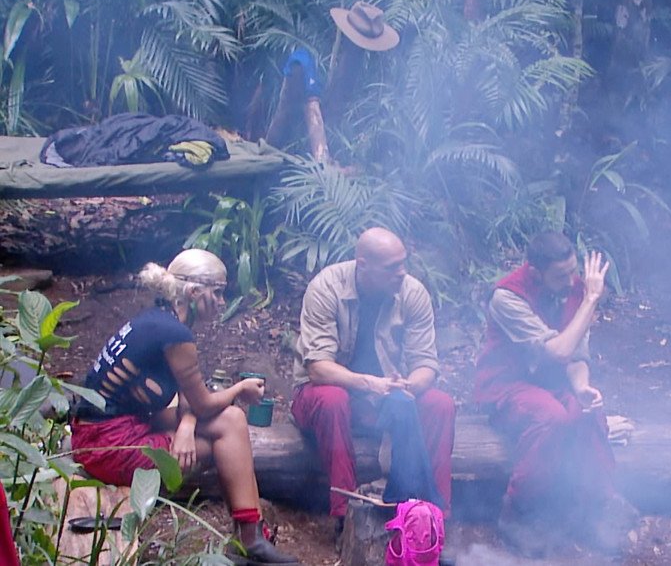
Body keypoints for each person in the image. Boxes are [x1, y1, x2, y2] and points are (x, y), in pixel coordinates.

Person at [70, 249, 299, 565]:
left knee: (232, 419)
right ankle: (249, 539)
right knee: (224, 437)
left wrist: (187, 425)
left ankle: (250, 536)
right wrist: (240, 389)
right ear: (194, 293)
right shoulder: (174, 333)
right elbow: (203, 403)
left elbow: (188, 396)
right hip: (107, 446)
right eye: (217, 293)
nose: (221, 302)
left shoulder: (158, 320)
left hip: (110, 429)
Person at [290, 227, 455, 549]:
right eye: (392, 267)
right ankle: (344, 513)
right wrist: (371, 384)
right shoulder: (327, 287)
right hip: (322, 392)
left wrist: (408, 386)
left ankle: (434, 518)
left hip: (385, 397)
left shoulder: (412, 292)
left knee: (440, 405)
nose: (401, 272)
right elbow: (318, 368)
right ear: (363, 265)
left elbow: (426, 363)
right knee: (333, 399)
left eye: (403, 263)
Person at [474, 231, 635, 556]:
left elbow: (576, 354)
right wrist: (591, 300)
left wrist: (582, 387)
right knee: (552, 418)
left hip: (550, 383)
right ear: (536, 273)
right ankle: (518, 511)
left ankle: (594, 508)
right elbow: (558, 350)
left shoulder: (573, 289)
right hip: (506, 385)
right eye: (561, 275)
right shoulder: (507, 298)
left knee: (586, 413)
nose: (571, 280)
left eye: (573, 271)